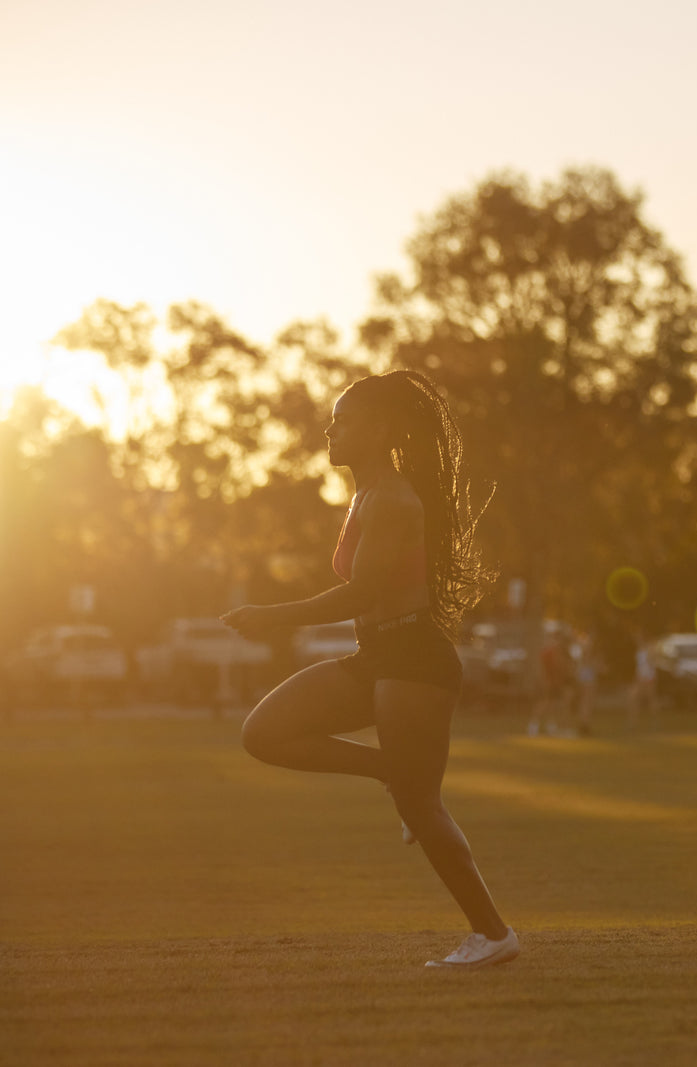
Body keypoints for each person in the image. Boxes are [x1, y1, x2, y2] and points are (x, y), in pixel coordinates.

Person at [221, 370, 519, 970]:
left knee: (423, 808)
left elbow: (359, 595)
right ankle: (388, 771)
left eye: (345, 420)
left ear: (381, 429)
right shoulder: (366, 494)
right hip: (379, 657)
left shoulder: (393, 499)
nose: (332, 430)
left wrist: (272, 617)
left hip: (413, 659)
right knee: (264, 732)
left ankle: (493, 935)